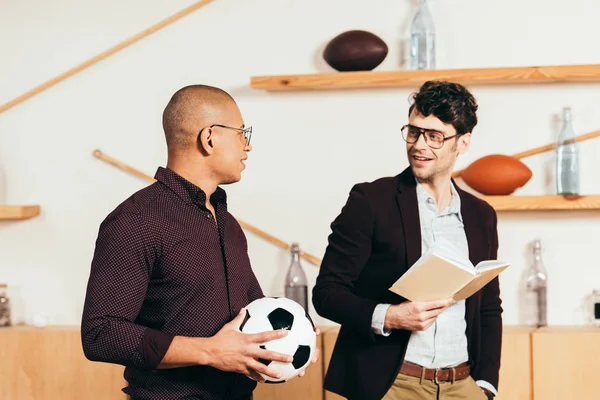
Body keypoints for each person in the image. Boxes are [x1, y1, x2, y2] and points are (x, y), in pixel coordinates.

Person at [81, 84, 317, 400]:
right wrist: (208, 352)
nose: (247, 147)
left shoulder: (228, 224)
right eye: (241, 133)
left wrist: (291, 342)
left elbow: (252, 313)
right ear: (209, 138)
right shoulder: (135, 220)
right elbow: (100, 334)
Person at [312, 80, 502, 400]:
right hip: (393, 385)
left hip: (464, 385)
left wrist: (485, 385)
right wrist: (390, 316)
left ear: (463, 142)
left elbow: (488, 309)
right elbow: (327, 294)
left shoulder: (481, 214)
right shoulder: (370, 201)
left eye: (434, 136)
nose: (419, 145)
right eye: (413, 131)